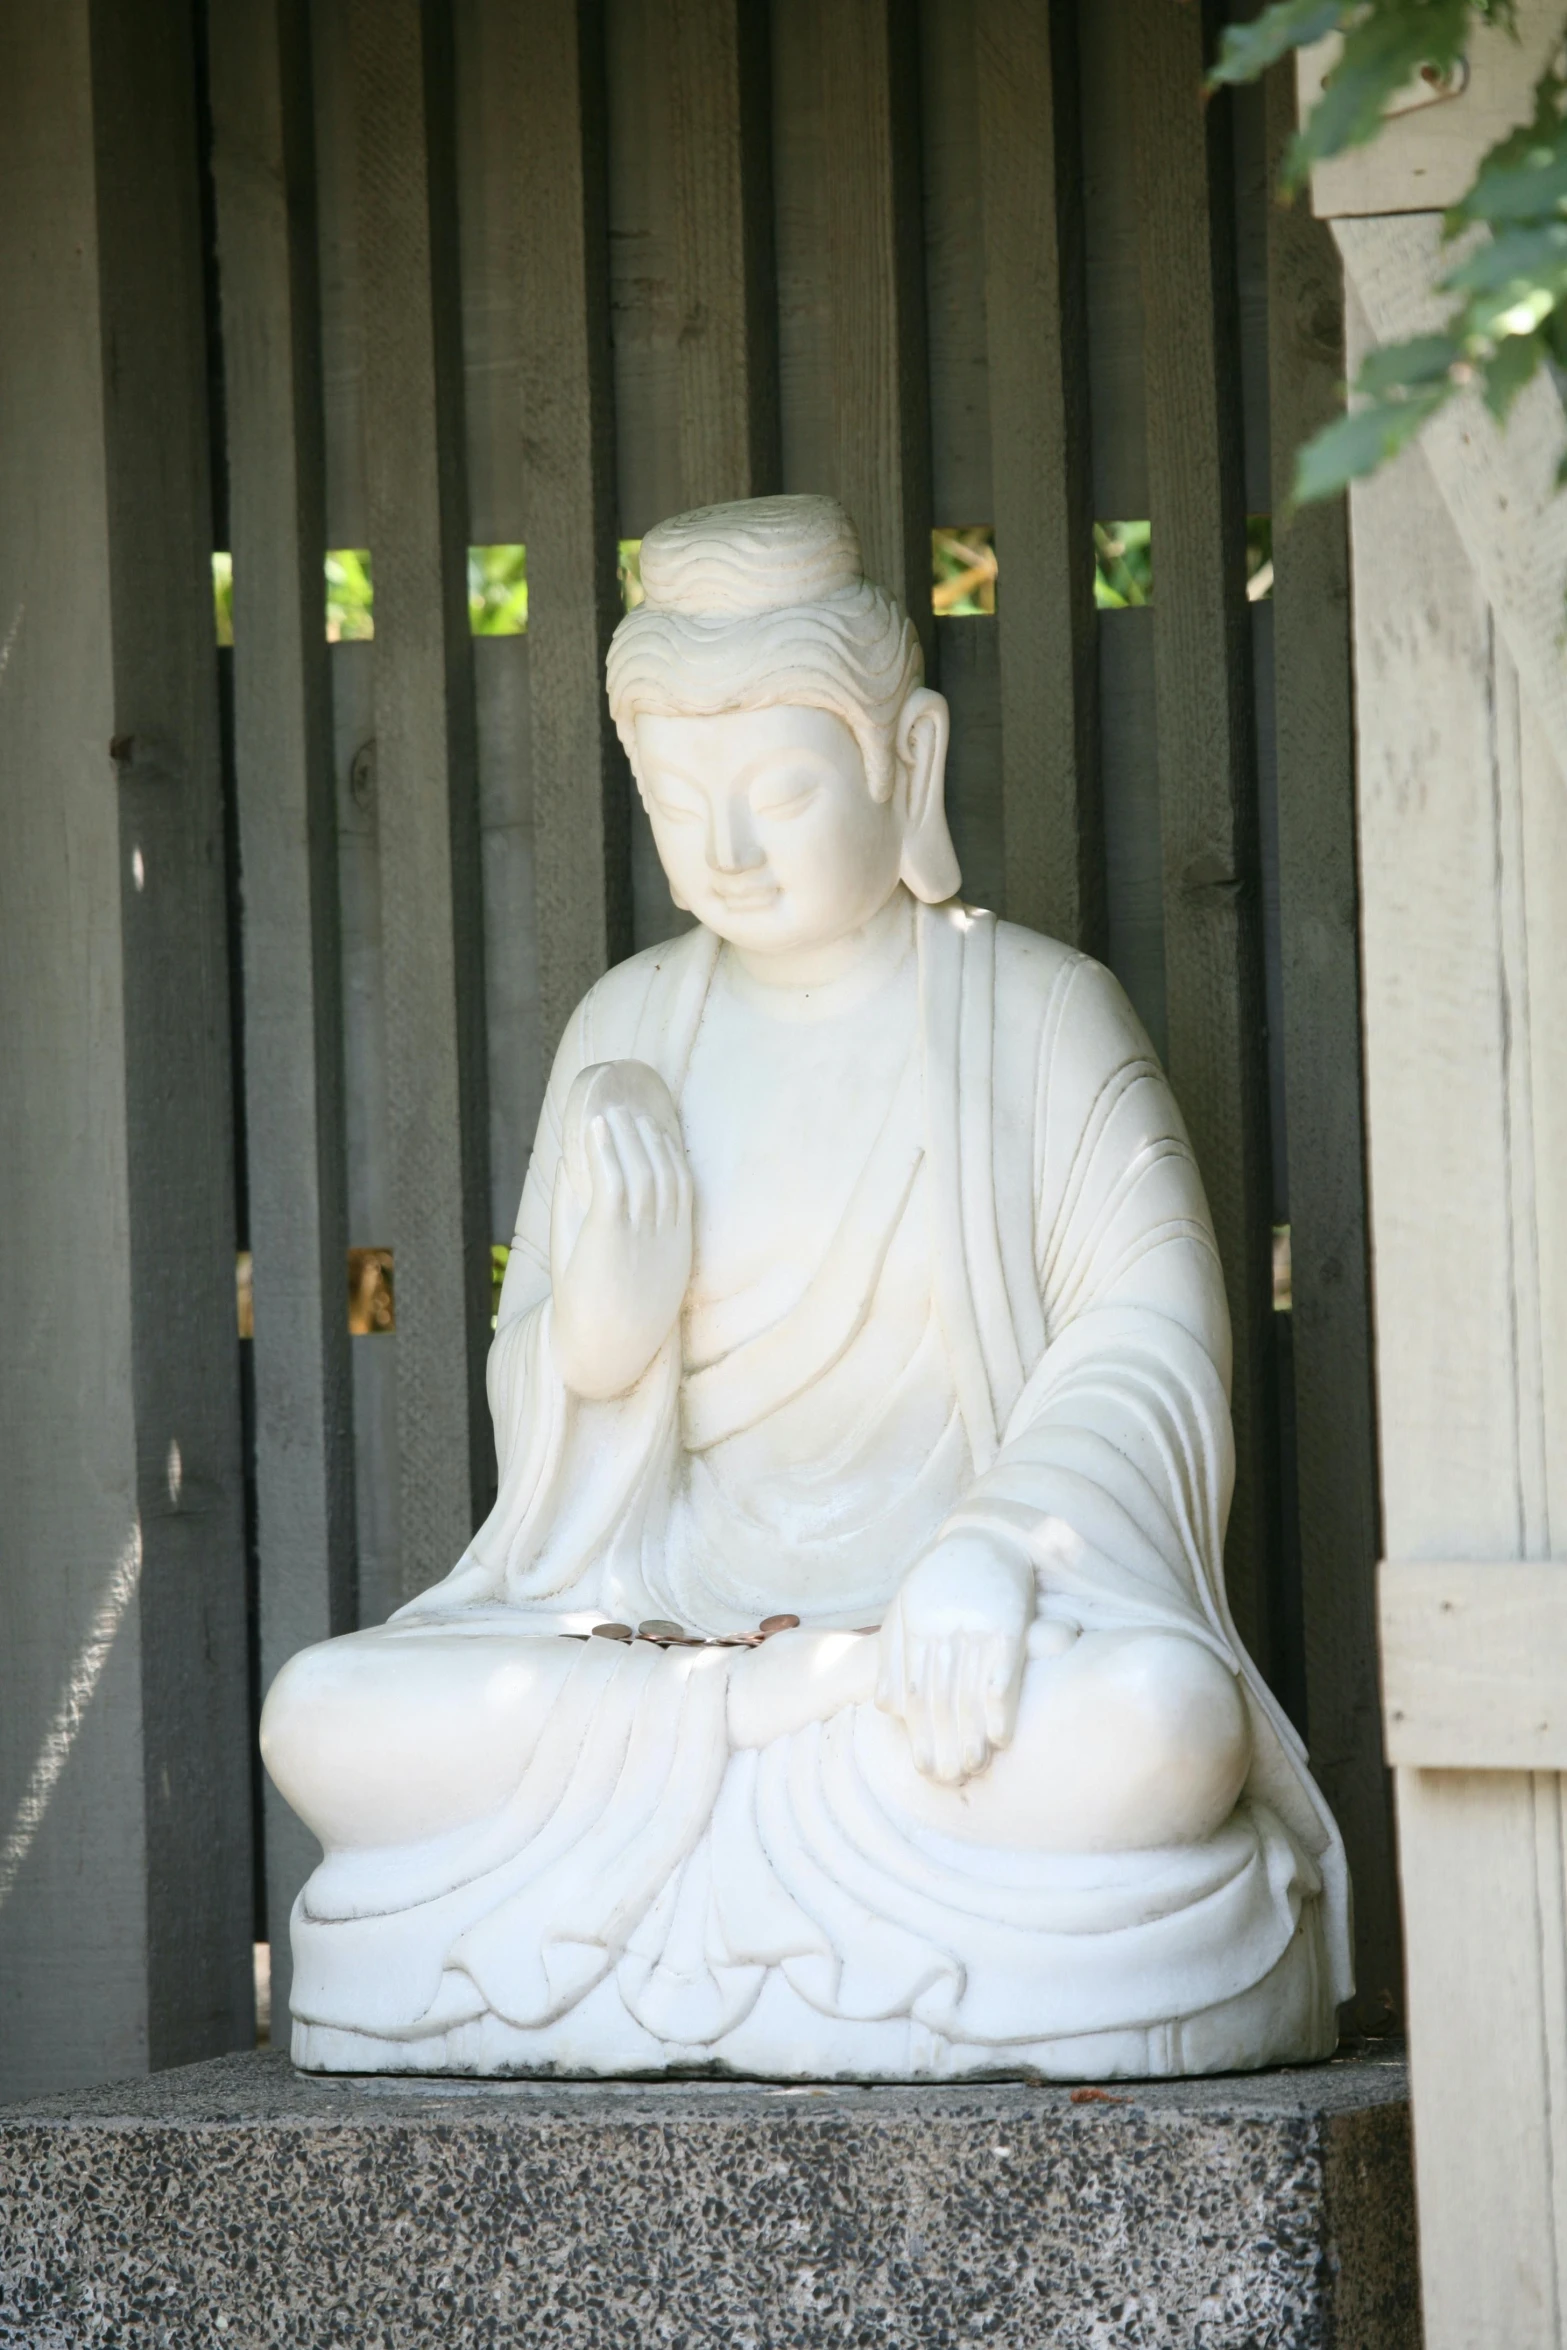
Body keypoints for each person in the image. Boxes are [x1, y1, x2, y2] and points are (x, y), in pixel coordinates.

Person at [262, 494, 1348, 2079]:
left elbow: (1147, 1339)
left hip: (946, 1659)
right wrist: (605, 1336)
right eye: (680, 797)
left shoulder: (1035, 1014)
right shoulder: (626, 1031)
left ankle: (694, 1865)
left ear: (905, 760)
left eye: (779, 785)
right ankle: (805, 1824)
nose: (732, 848)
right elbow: (546, 1459)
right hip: (660, 1635)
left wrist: (998, 1546)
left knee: (1154, 1727)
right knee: (327, 1711)